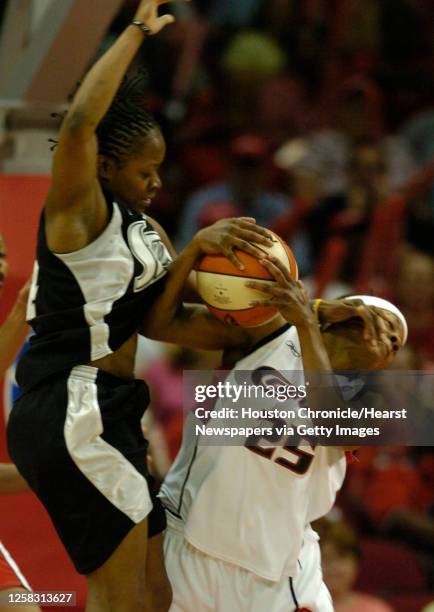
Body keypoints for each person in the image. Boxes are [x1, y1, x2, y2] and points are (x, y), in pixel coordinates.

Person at [6, 2, 275, 611]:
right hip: (72, 401)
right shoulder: (78, 215)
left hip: (115, 410)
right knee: (121, 599)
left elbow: (161, 321)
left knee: (157, 595)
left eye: (161, 168)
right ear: (105, 166)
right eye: (144, 169)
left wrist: (265, 321)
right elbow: (77, 126)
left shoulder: (149, 229)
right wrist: (135, 31)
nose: (157, 181)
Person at [158, 254, 407, 611]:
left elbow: (330, 424)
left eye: (396, 341)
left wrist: (308, 320)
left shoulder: (376, 404)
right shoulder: (270, 338)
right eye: (378, 322)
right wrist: (197, 249)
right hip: (191, 535)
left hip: (275, 568)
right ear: (340, 317)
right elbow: (161, 322)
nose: (388, 338)